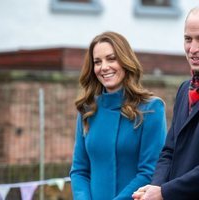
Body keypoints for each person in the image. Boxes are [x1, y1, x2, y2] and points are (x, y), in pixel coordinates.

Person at [69, 31, 167, 200]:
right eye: (97, 62)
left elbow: (149, 171)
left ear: (125, 61)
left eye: (111, 58)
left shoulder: (152, 108)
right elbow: (79, 170)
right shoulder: (88, 110)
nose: (104, 67)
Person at [132, 6, 199, 200]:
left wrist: (164, 192)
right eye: (188, 39)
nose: (193, 49)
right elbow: (169, 150)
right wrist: (155, 186)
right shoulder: (185, 89)